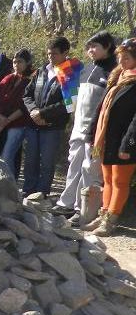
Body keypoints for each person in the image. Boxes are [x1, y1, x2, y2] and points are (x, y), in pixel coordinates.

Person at [51, 31, 118, 225]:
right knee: (74, 164)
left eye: (95, 46)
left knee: (90, 169)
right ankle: (66, 203)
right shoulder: (87, 69)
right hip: (78, 128)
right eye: (88, 47)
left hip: (97, 132)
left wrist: (98, 130)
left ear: (107, 47)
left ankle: (83, 210)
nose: (90, 50)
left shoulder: (114, 70)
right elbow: (76, 100)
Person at [83, 38, 136, 236]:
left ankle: (111, 219)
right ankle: (104, 212)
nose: (121, 61)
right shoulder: (117, 77)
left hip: (126, 141)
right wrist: (91, 131)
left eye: (127, 58)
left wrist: (128, 145)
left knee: (120, 181)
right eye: (120, 57)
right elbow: (102, 107)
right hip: (108, 138)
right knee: (107, 179)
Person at [22, 36, 81, 196]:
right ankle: (28, 191)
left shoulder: (70, 73)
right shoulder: (41, 71)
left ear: (65, 53)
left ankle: (42, 194)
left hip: (53, 127)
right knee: (30, 160)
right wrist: (34, 111)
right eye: (49, 53)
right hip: (33, 124)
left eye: (54, 54)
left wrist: (43, 114)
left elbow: (69, 103)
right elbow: (27, 94)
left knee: (47, 163)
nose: (51, 57)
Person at [0, 49, 35, 179]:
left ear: (27, 63)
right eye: (14, 62)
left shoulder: (30, 81)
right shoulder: (8, 79)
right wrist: (0, 117)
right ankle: (7, 181)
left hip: (19, 123)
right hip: (2, 121)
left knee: (7, 155)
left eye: (20, 62)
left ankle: (8, 183)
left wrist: (6, 121)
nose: (16, 65)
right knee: (2, 153)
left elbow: (24, 106)